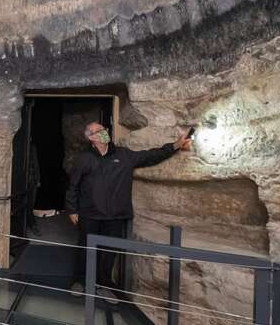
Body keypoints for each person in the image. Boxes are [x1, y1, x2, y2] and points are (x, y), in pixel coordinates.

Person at [65, 122, 192, 300]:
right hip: (89, 214)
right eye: (100, 131)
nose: (105, 132)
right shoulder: (84, 159)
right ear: (91, 138)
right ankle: (80, 281)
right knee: (86, 249)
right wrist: (72, 210)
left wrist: (175, 145)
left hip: (116, 216)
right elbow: (73, 186)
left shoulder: (124, 155)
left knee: (109, 253)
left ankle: (103, 285)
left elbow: (150, 156)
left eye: (105, 129)